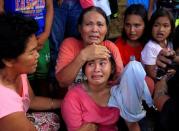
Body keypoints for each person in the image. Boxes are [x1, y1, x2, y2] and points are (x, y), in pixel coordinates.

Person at [0, 13, 61, 131]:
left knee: (54, 119)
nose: (37, 55)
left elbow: (31, 100)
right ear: (8, 60)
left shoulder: (17, 70)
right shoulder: (6, 103)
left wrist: (66, 102)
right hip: (14, 120)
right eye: (31, 52)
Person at [55, 6, 124, 88]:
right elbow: (62, 82)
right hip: (72, 99)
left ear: (106, 29)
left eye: (100, 25)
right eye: (89, 24)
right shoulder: (70, 44)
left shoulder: (110, 47)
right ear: (80, 28)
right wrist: (83, 55)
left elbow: (119, 80)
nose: (94, 29)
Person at [0, 0, 54, 96]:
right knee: (24, 75)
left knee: (42, 75)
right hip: (16, 40)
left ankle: (38, 99)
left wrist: (46, 33)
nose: (36, 54)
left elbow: (49, 7)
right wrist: (10, 30)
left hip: (41, 37)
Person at [61, 55, 120, 131]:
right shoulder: (73, 97)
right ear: (84, 69)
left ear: (112, 68)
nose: (96, 69)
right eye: (91, 64)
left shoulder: (118, 90)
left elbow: (132, 123)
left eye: (102, 63)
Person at [49, 0, 83, 82]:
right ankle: (55, 80)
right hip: (58, 4)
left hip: (80, 3)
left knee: (76, 42)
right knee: (56, 44)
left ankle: (75, 80)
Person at [141, 7, 175, 80]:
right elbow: (151, 73)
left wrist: (172, 71)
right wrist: (166, 76)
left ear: (171, 29)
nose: (160, 29)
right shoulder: (150, 47)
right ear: (151, 27)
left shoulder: (168, 42)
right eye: (156, 25)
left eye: (165, 26)